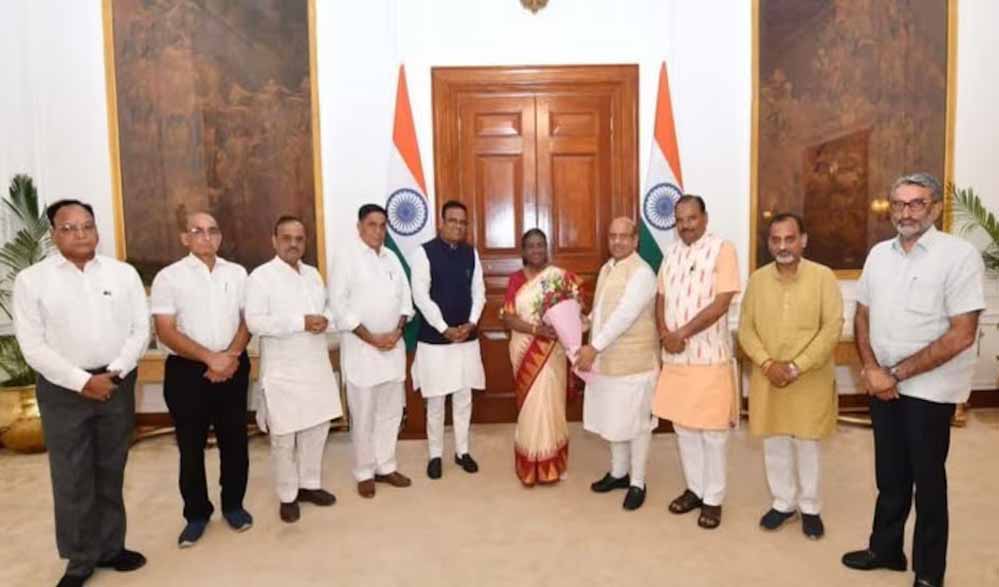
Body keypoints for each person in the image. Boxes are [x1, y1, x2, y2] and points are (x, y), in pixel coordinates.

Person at [841, 172, 983, 587]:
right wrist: (871, 369)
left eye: (917, 203)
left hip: (930, 389)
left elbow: (962, 333)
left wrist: (895, 374)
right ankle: (885, 550)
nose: (906, 212)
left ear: (935, 208)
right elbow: (862, 314)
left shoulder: (958, 256)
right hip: (882, 384)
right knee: (889, 474)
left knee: (928, 482)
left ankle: (929, 572)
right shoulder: (879, 255)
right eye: (899, 204)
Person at [13, 199, 149, 587]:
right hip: (63, 389)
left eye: (87, 226)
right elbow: (33, 346)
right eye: (69, 228)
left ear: (96, 230)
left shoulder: (122, 274)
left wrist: (115, 372)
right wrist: (82, 381)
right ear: (53, 234)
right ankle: (79, 559)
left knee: (111, 467)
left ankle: (111, 547)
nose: (80, 234)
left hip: (116, 382)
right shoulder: (32, 281)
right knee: (72, 475)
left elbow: (140, 330)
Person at [150, 212, 253, 547]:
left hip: (233, 364)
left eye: (213, 231)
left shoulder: (237, 273)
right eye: (198, 231)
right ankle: (196, 514)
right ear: (185, 238)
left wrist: (230, 356)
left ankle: (234, 506)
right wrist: (210, 359)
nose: (206, 237)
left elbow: (247, 320)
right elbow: (165, 331)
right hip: (187, 371)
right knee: (191, 447)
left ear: (220, 237)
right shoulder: (169, 277)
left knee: (235, 441)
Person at [738, 212, 842, 539]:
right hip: (768, 375)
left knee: (807, 442)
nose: (782, 246)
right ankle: (783, 502)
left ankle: (810, 506)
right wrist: (767, 364)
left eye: (789, 238)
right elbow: (746, 328)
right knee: (775, 440)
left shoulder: (823, 277)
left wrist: (796, 366)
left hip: (809, 377)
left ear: (803, 240)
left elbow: (832, 328)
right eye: (776, 240)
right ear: (769, 243)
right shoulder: (757, 280)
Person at [245, 215, 343, 523]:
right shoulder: (261, 277)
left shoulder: (312, 274)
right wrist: (300, 322)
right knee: (284, 436)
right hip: (282, 370)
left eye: (299, 239)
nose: (293, 244)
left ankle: (309, 484)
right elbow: (255, 322)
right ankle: (288, 495)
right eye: (286, 238)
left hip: (315, 364)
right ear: (274, 241)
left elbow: (326, 308)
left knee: (317, 428)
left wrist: (326, 319)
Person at [653, 195, 740, 530]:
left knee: (713, 431)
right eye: (680, 220)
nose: (686, 225)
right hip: (676, 357)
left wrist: (682, 333)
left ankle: (713, 499)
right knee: (684, 428)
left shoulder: (722, 250)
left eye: (691, 218)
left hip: (709, 357)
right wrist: (664, 333)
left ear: (705, 218)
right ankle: (695, 489)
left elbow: (721, 303)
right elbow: (660, 297)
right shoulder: (671, 253)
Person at [330, 204, 414, 498]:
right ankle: (364, 471)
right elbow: (339, 306)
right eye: (371, 225)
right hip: (362, 350)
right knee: (364, 413)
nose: (378, 231)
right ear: (359, 227)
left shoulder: (391, 257)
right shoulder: (346, 258)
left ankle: (386, 465)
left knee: (391, 411)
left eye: (382, 225)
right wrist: (372, 338)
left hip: (392, 347)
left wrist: (397, 332)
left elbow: (406, 300)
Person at [576, 217, 659, 511]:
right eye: (612, 236)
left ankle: (638, 482)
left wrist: (593, 347)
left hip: (635, 363)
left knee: (637, 425)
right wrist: (586, 321)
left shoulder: (642, 272)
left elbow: (625, 314)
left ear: (635, 240)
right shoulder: (607, 268)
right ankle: (619, 473)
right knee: (615, 419)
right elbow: (604, 308)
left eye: (624, 236)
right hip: (608, 361)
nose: (617, 241)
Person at [410, 200, 486, 479]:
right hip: (435, 340)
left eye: (463, 222)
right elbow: (420, 296)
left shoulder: (471, 253)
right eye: (453, 221)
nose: (458, 226)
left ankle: (462, 451)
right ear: (441, 223)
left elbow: (479, 292)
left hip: (466, 338)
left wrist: (472, 323)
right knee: (436, 399)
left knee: (464, 396)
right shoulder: (424, 253)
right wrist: (444, 328)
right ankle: (435, 454)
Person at [502, 228, 580, 486]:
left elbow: (576, 306)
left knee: (552, 406)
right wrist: (537, 330)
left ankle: (553, 464)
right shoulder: (516, 280)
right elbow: (509, 318)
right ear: (523, 251)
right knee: (530, 407)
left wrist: (566, 322)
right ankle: (529, 466)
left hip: (553, 351)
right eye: (531, 246)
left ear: (546, 248)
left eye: (540, 245)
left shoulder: (558, 277)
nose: (536, 250)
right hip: (525, 349)